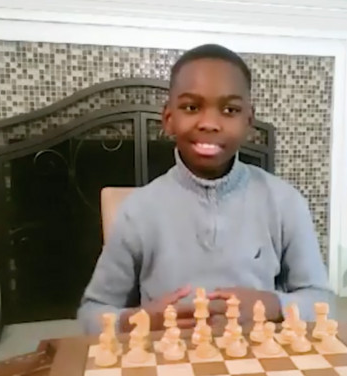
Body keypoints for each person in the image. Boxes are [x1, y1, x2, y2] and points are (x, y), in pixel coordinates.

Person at [78, 43, 334, 334]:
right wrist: (139, 320)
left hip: (257, 355)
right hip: (167, 358)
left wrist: (272, 305)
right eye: (191, 107)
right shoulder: (138, 211)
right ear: (169, 119)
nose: (210, 123)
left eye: (230, 110)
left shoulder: (284, 202)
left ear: (248, 121)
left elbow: (323, 302)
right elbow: (91, 314)